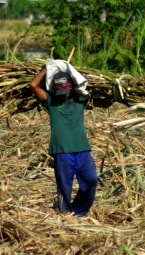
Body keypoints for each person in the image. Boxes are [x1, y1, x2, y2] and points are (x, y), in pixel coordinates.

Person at [30, 63, 97, 217]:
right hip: (62, 151)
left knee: (91, 180)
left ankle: (79, 211)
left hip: (83, 150)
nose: (62, 94)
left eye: (65, 91)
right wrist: (46, 69)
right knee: (64, 186)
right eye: (59, 91)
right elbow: (33, 85)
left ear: (71, 87)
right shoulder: (51, 101)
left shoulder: (80, 100)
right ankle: (66, 214)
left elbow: (100, 96)